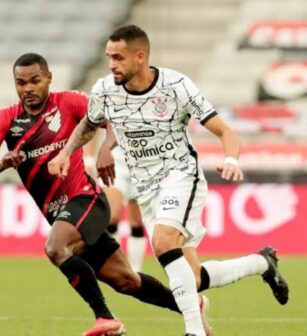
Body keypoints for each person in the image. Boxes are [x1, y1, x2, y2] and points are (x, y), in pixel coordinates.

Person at [49, 25, 289, 336]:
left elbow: (225, 131)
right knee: (193, 277)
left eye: (118, 58)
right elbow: (89, 124)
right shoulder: (105, 89)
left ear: (140, 57)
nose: (112, 64)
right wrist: (67, 152)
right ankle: (262, 263)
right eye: (109, 57)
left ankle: (194, 331)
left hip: (180, 176)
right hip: (146, 187)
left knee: (162, 242)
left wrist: (231, 159)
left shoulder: (177, 86)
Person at [0, 53, 211, 336]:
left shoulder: (69, 101)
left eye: (35, 81)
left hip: (86, 200)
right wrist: (3, 161)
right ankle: (191, 306)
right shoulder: (7, 118)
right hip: (63, 216)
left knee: (55, 248)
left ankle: (105, 318)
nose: (28, 89)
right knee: (127, 281)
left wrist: (106, 148)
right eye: (20, 83)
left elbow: (114, 118)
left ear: (49, 78)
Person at [102, 147, 146, 273]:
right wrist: (89, 159)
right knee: (112, 217)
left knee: (137, 221)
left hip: (142, 165)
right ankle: (118, 266)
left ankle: (136, 271)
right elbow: (91, 128)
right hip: (115, 163)